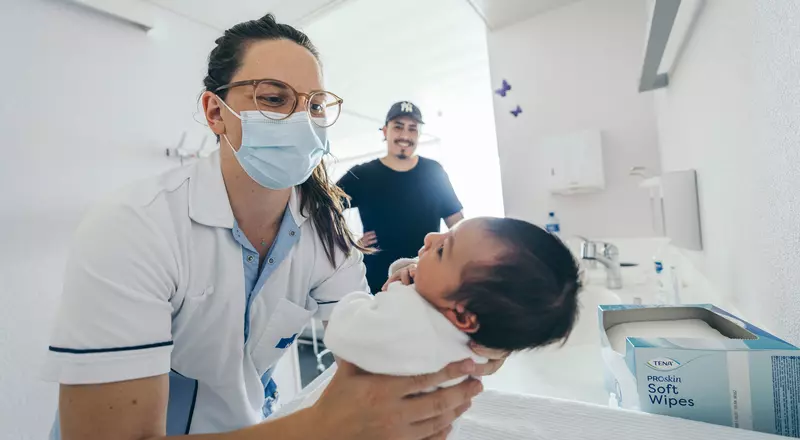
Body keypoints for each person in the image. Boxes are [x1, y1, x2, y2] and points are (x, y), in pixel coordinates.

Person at [43, 14, 506, 440]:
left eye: (315, 105)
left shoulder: (325, 238)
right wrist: (322, 426)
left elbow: (369, 344)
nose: (300, 121)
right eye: (273, 99)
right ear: (215, 112)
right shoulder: (136, 228)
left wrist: (454, 333)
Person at [336, 102, 464, 294]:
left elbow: (457, 224)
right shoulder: (363, 174)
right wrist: (348, 242)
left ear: (418, 134)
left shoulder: (433, 172)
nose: (405, 135)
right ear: (385, 131)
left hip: (426, 278)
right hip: (378, 283)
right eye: (398, 127)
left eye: (412, 129)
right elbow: (322, 209)